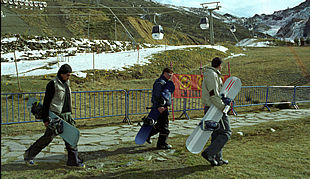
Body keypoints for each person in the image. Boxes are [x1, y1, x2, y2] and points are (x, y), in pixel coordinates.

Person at [24, 64, 85, 168]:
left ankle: (73, 161)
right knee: (48, 138)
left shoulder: (67, 83)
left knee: (71, 136)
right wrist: (46, 119)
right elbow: (46, 102)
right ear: (61, 74)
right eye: (67, 75)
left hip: (67, 115)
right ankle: (29, 155)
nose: (69, 77)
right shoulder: (53, 84)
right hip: (55, 116)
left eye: (70, 75)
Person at [201, 57, 232, 166]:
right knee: (226, 132)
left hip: (213, 107)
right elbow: (213, 94)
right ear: (220, 65)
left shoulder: (212, 74)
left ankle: (217, 158)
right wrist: (223, 107)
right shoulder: (212, 75)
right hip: (214, 108)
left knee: (217, 134)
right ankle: (209, 153)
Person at [147, 67, 175, 149]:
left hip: (163, 107)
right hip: (160, 107)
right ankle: (161, 144)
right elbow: (157, 95)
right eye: (169, 75)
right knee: (164, 126)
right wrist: (160, 105)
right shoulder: (160, 83)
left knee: (160, 125)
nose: (170, 76)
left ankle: (148, 134)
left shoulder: (165, 82)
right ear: (164, 73)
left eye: (171, 75)